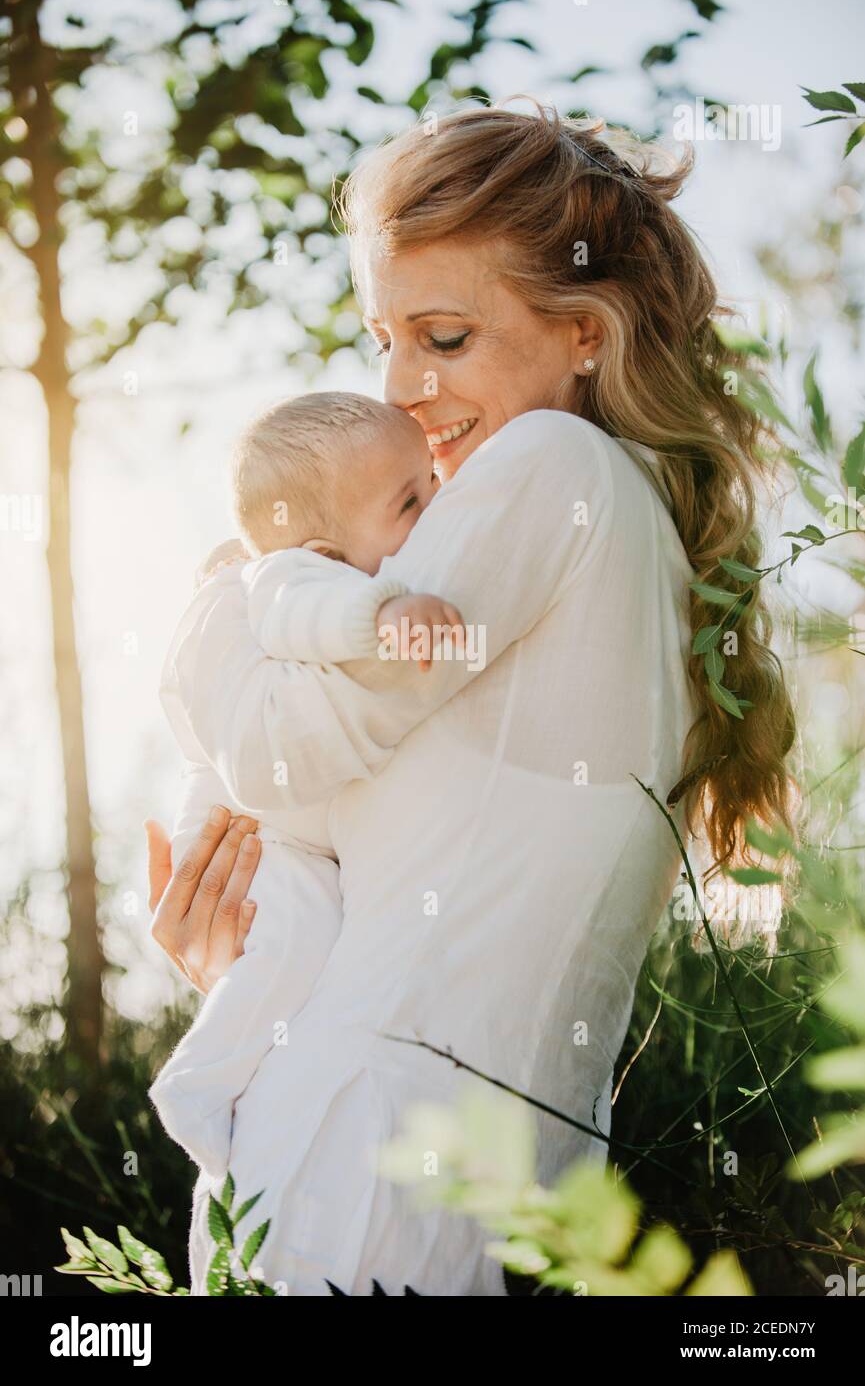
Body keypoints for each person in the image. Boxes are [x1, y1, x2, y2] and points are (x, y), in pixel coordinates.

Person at [146, 103, 796, 1296]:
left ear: (586, 333)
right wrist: (250, 954)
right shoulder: (634, 545)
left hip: (367, 1160)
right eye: (381, 336)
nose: (398, 388)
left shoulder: (547, 470)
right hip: (487, 1178)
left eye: (443, 336)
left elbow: (274, 755)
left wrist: (218, 608)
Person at [149, 392, 464, 1179]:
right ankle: (198, 1086)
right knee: (291, 940)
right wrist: (385, 614)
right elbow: (304, 610)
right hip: (251, 835)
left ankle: (240, 1090)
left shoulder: (326, 562)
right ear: (325, 549)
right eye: (408, 500)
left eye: (430, 482)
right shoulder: (292, 577)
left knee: (304, 951)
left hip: (282, 832)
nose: (437, 505)